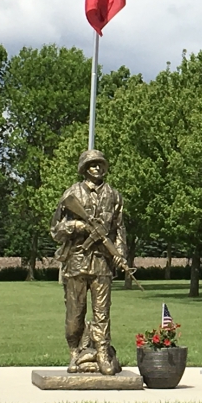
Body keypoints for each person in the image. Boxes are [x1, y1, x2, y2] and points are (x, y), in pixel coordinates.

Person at [50, 149, 127, 375]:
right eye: (92, 165)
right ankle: (75, 352)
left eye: (100, 164)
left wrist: (120, 254)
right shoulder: (72, 194)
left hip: (102, 262)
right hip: (76, 262)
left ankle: (103, 352)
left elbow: (119, 230)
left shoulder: (114, 195)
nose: (97, 168)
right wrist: (77, 227)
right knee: (75, 314)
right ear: (84, 168)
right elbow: (56, 229)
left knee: (102, 312)